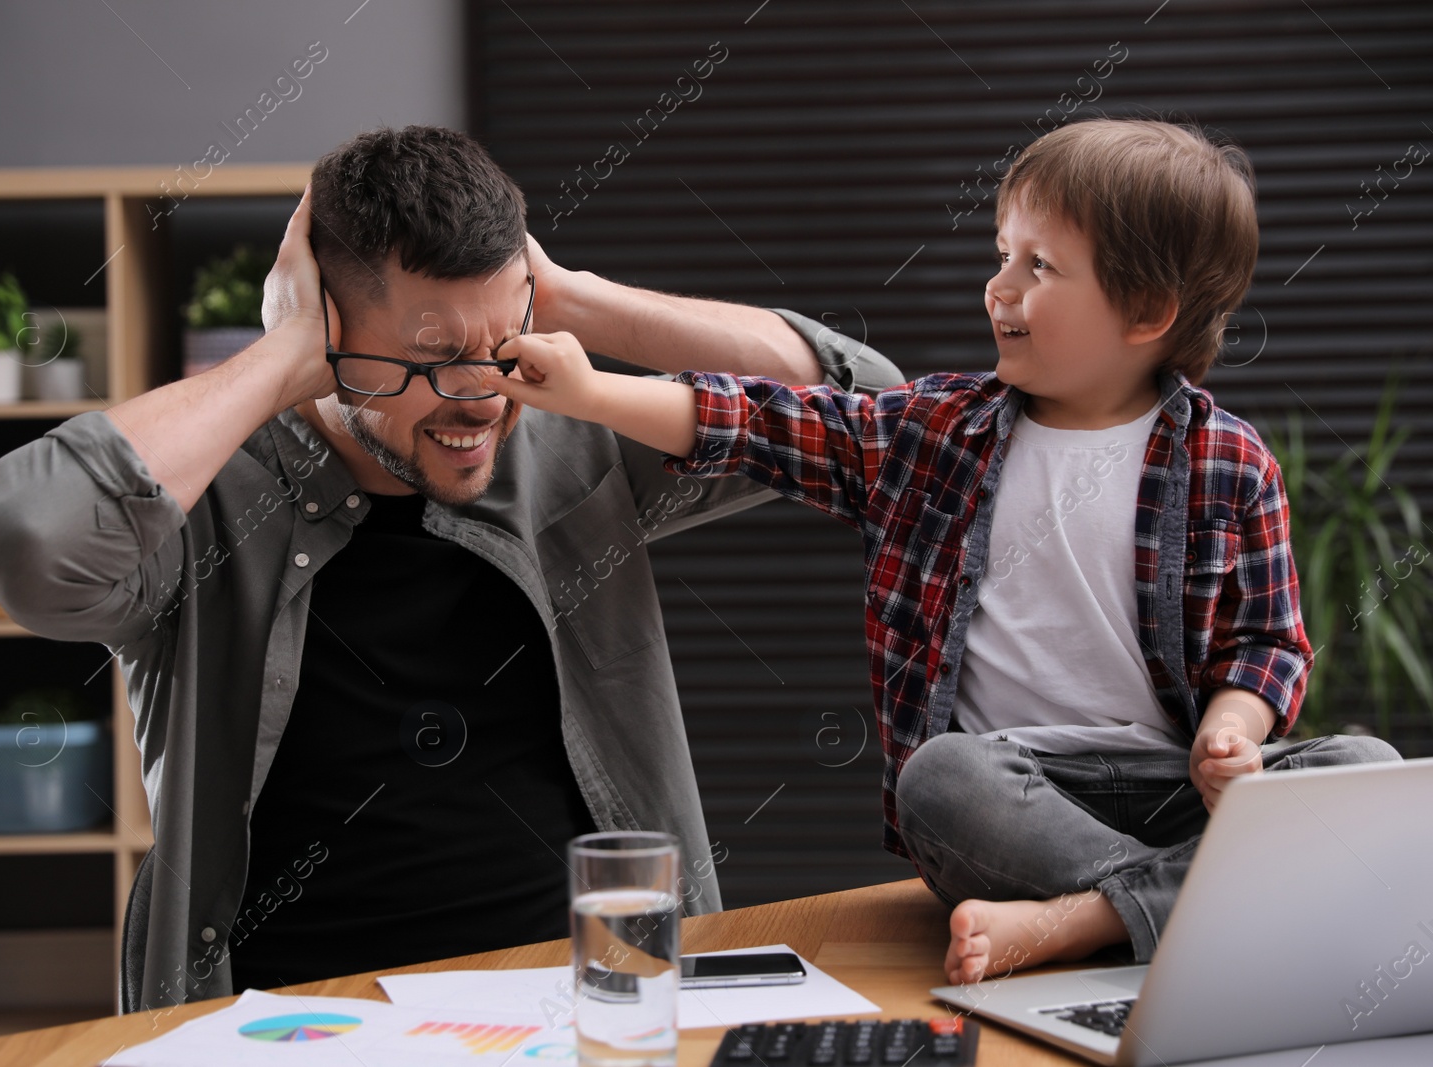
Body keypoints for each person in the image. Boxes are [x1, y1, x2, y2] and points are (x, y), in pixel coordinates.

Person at [0, 126, 902, 1008]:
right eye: (435, 356)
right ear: (330, 328)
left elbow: (869, 410)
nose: (480, 397)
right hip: (287, 1022)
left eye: (500, 345)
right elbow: (31, 543)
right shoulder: (210, 493)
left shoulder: (573, 449)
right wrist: (283, 352)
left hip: (580, 1005)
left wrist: (568, 297)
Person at [483, 117, 1401, 989]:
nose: (999, 288)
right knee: (941, 776)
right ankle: (1184, 908)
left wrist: (1232, 726)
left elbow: (1268, 644)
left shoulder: (1230, 460)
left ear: (1148, 311)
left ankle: (1094, 918)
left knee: (1362, 767)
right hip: (1022, 794)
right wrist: (592, 390)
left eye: (1039, 266)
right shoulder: (936, 432)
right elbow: (759, 422)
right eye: (1002, 256)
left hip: (1172, 787)